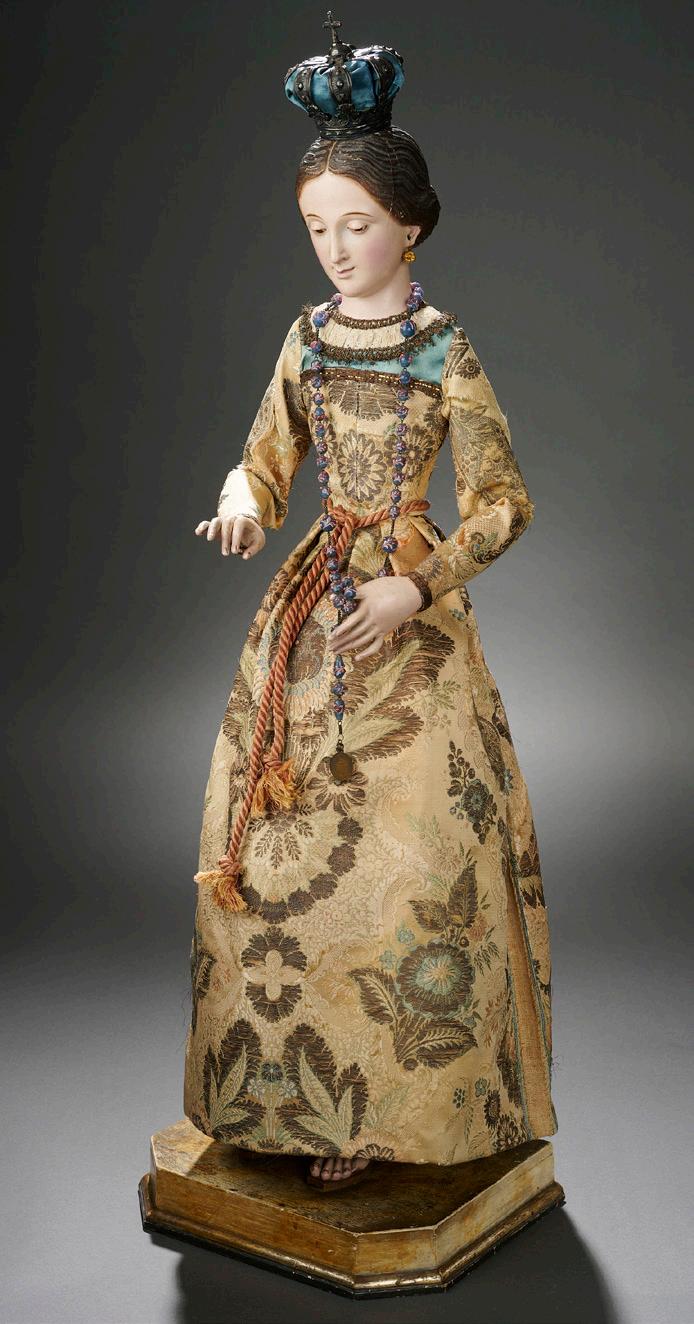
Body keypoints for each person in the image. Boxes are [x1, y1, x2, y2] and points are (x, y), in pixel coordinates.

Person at [183, 14, 558, 1193]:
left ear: (409, 225)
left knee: (423, 858)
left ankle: (395, 1111)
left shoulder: (443, 349)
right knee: (276, 849)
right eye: (318, 227)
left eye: (356, 224)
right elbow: (265, 456)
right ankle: (287, 1098)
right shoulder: (304, 339)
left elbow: (502, 502)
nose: (337, 249)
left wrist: (416, 583)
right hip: (311, 620)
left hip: (406, 619)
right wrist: (243, 498)